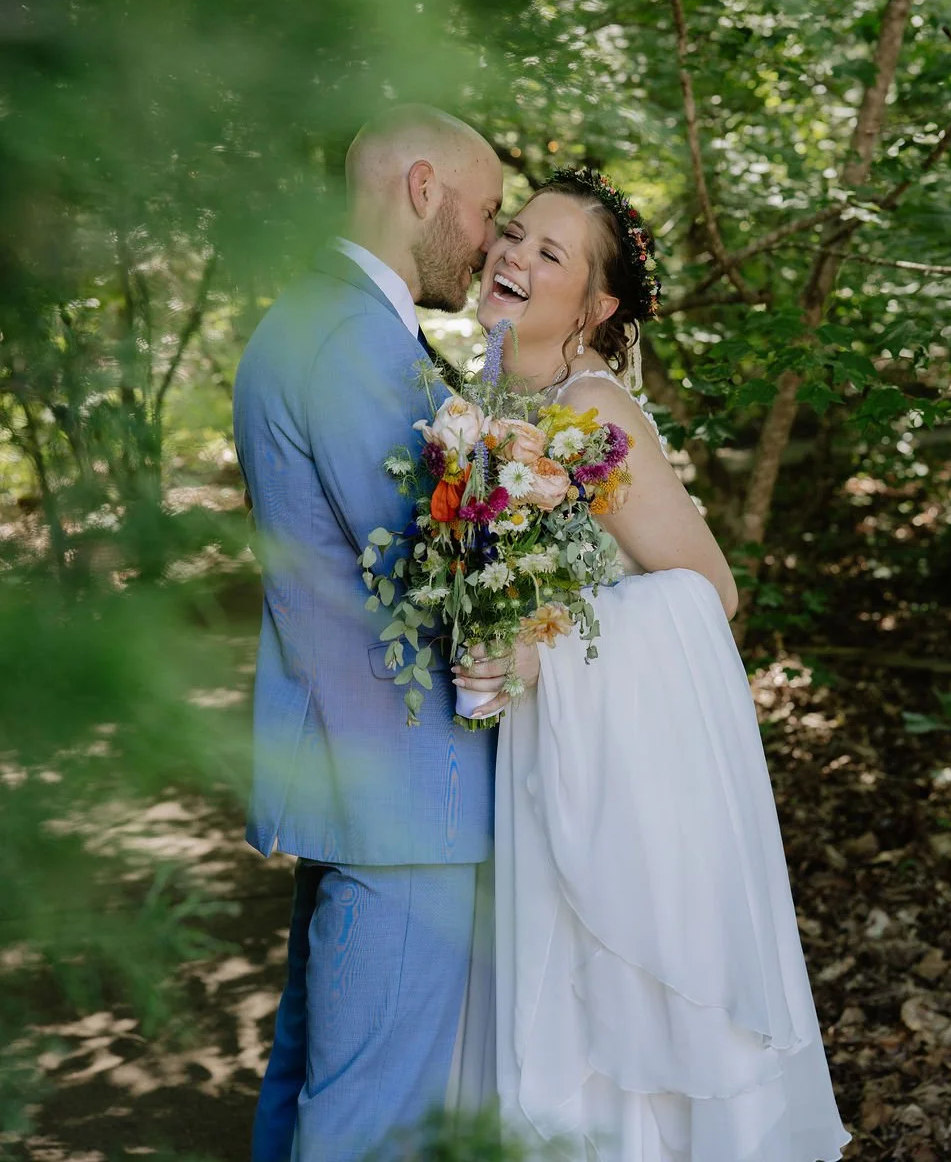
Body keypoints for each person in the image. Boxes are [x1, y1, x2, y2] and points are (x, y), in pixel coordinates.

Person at [455, 168, 851, 1161]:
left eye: (549, 254)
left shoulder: (594, 414)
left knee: (612, 1017)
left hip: (614, 769)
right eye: (513, 235)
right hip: (528, 755)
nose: (513, 256)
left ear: (595, 307)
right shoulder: (484, 401)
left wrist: (543, 645)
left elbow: (705, 592)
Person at [233, 104, 513, 1162]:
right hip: (399, 789)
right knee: (369, 1118)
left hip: (355, 775)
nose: (490, 240)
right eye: (487, 210)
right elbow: (427, 556)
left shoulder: (327, 319)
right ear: (424, 187)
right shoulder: (350, 335)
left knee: (315, 1081)